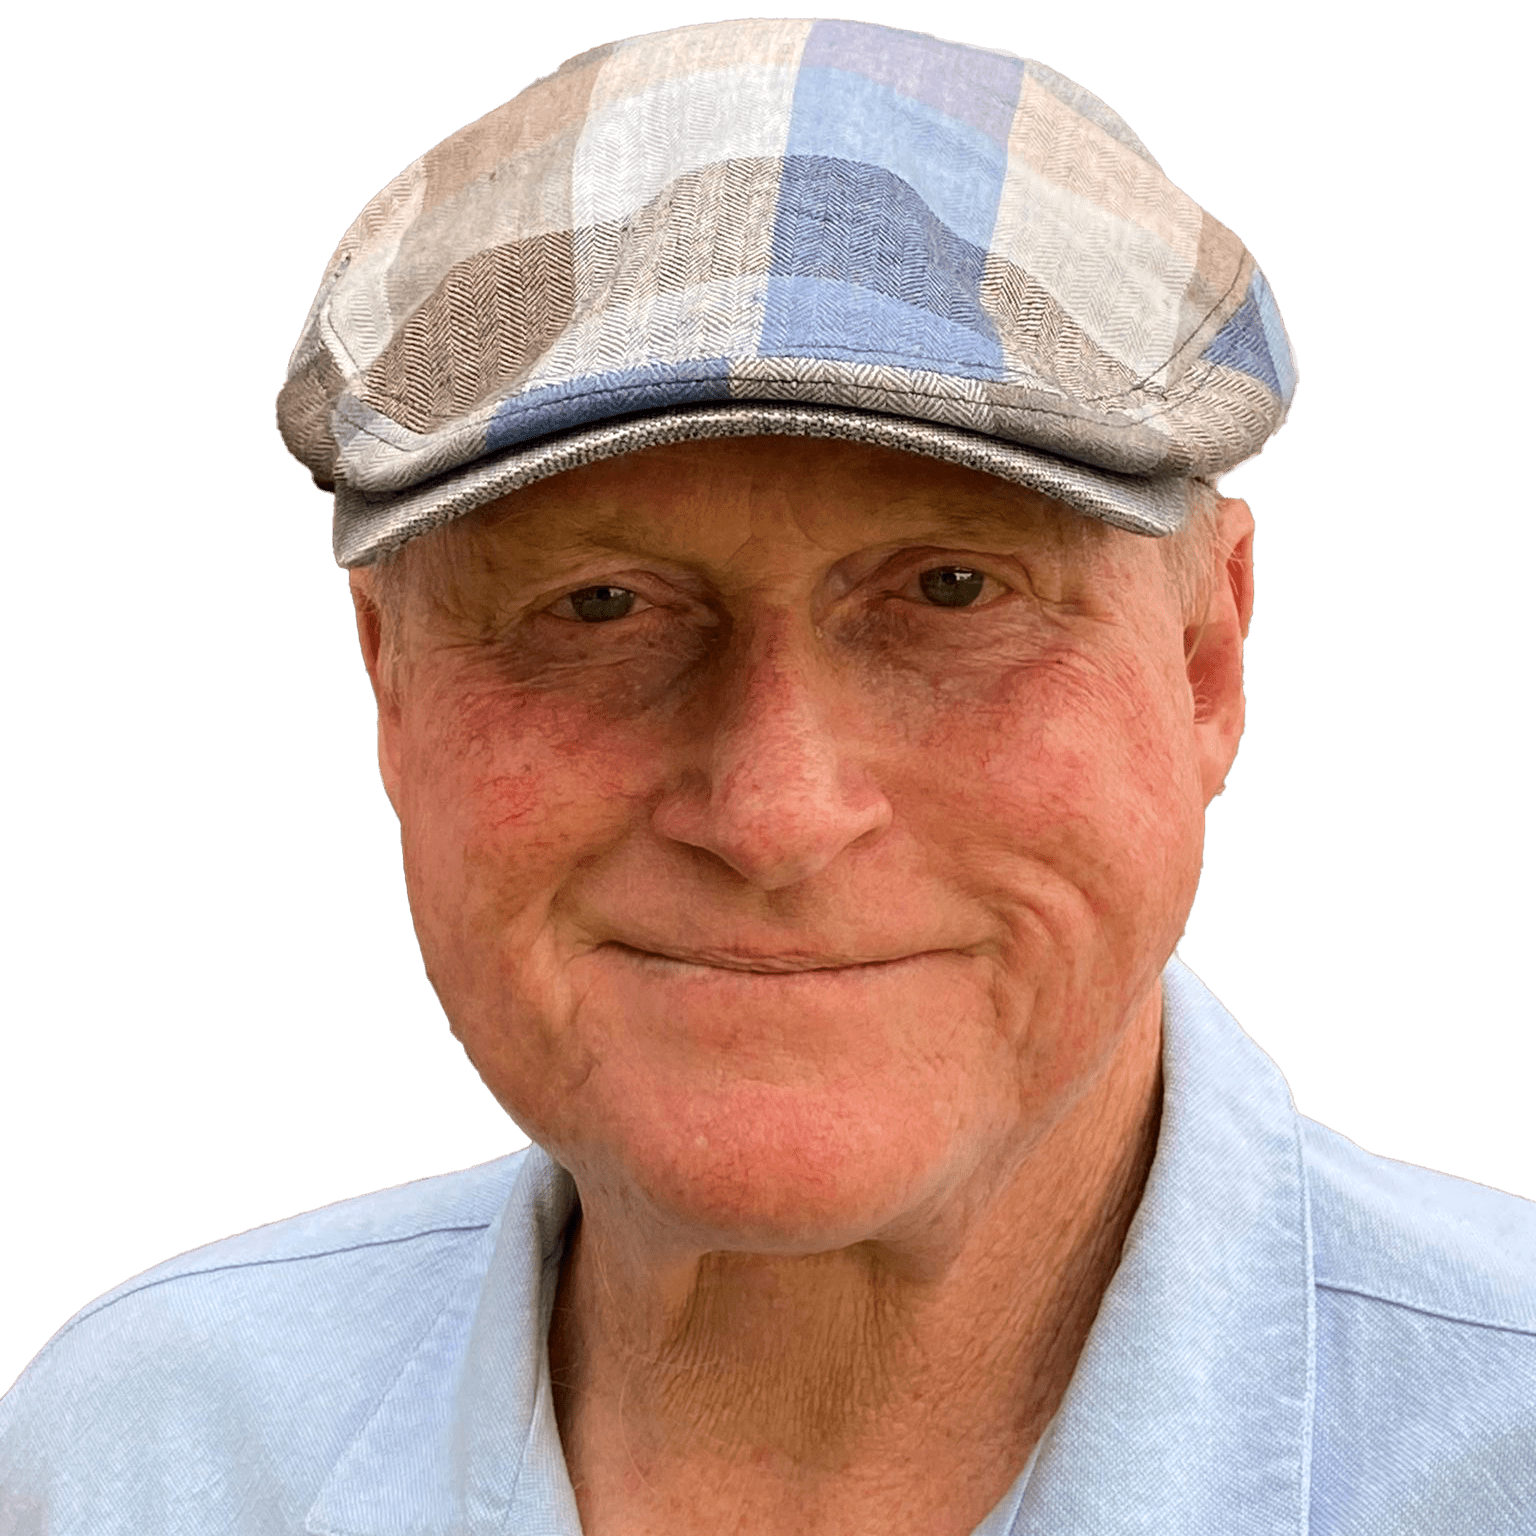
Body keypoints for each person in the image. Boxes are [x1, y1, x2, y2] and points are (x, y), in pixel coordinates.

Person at [3, 18, 1531, 1535]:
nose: (776, 813)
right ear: (390, 689)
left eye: (948, 591)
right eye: (596, 604)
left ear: (1207, 659)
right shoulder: (135, 1455)